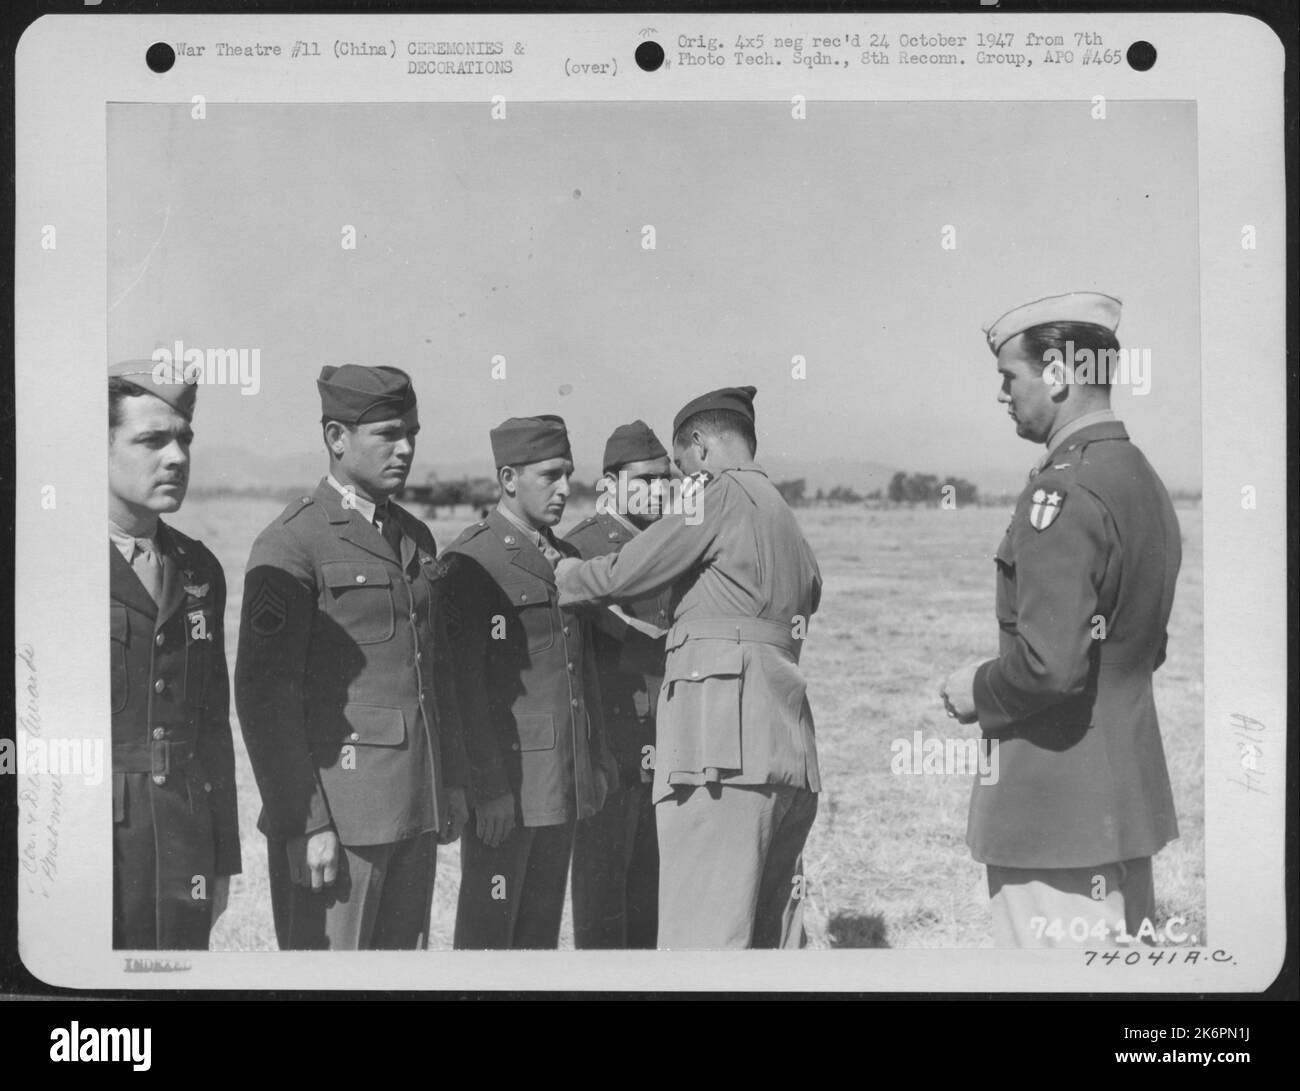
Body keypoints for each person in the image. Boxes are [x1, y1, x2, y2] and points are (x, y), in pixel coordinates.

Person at [940, 291, 1182, 948]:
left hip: (1054, 816)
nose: (1002, 394)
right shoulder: (1140, 477)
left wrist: (977, 688)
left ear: (1058, 373)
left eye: (1008, 376)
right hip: (1122, 807)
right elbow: (1141, 649)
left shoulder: (1062, 488)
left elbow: (1052, 665)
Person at [556, 386, 822, 949]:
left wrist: (563, 575)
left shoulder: (718, 494)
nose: (678, 487)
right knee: (765, 936)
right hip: (787, 753)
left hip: (720, 754)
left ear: (700, 446)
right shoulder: (784, 515)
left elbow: (628, 571)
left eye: (678, 468)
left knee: (703, 939)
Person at [234, 365, 467, 950]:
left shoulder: (414, 535)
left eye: (412, 431)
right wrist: (307, 820)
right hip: (340, 819)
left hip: (414, 807)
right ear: (337, 438)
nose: (407, 447)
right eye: (388, 433)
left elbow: (431, 674)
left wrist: (452, 785)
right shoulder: (292, 541)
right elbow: (264, 698)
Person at [434, 414, 616, 949]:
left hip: (563, 784)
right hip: (508, 793)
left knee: (538, 941)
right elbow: (463, 690)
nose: (565, 488)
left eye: (568, 474)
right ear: (509, 479)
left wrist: (596, 760)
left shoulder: (570, 558)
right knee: (489, 940)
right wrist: (488, 790)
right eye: (549, 475)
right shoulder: (473, 560)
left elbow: (583, 675)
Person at [108, 359, 241, 949]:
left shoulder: (198, 568)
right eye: (152, 440)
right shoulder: (41, 562)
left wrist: (222, 858)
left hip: (185, 834)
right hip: (93, 840)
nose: (178, 457)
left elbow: (213, 727)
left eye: (184, 439)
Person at [564, 421, 674, 948]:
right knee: (603, 903)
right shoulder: (581, 548)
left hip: (666, 746)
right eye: (645, 481)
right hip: (611, 749)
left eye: (666, 480)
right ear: (609, 486)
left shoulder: (669, 544)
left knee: (651, 898)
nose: (659, 490)